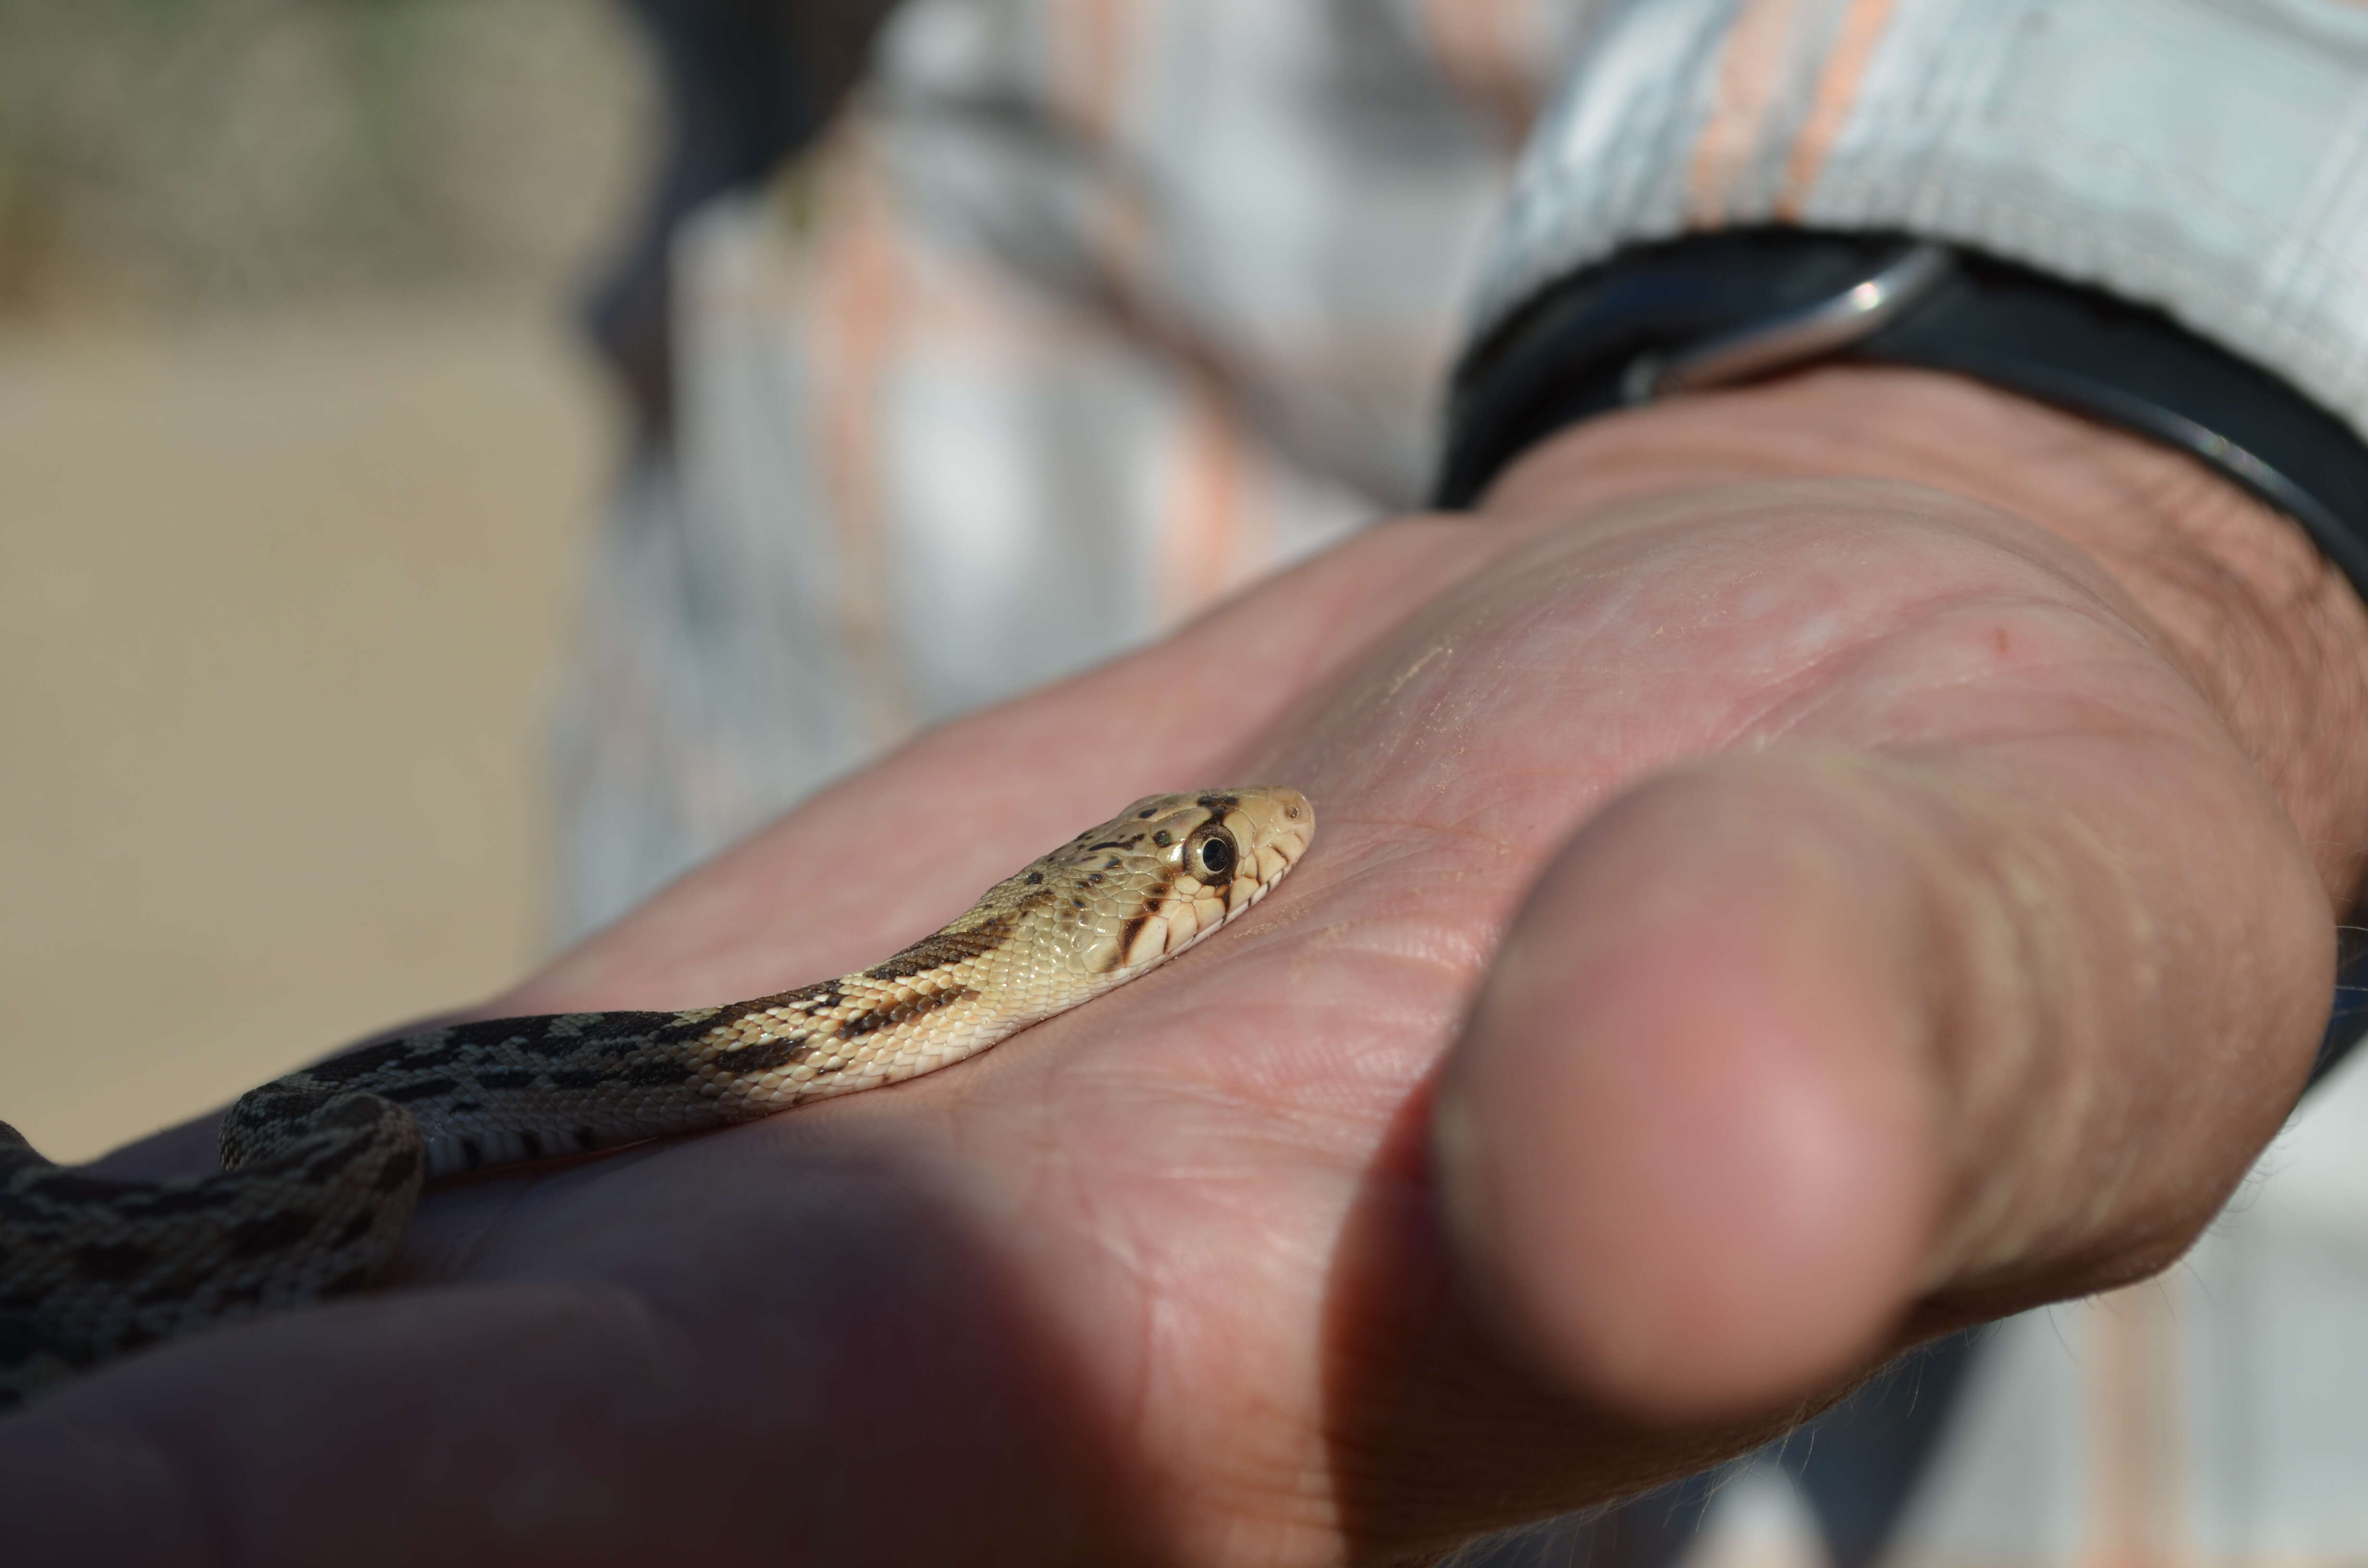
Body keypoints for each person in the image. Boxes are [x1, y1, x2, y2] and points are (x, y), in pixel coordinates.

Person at [8, 2, 2368, 1563]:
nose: (1263, 862)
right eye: (1219, 868)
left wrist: (2105, 378)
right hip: (747, 641)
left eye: (1222, 857)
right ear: (1104, 920)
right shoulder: (834, 1018)